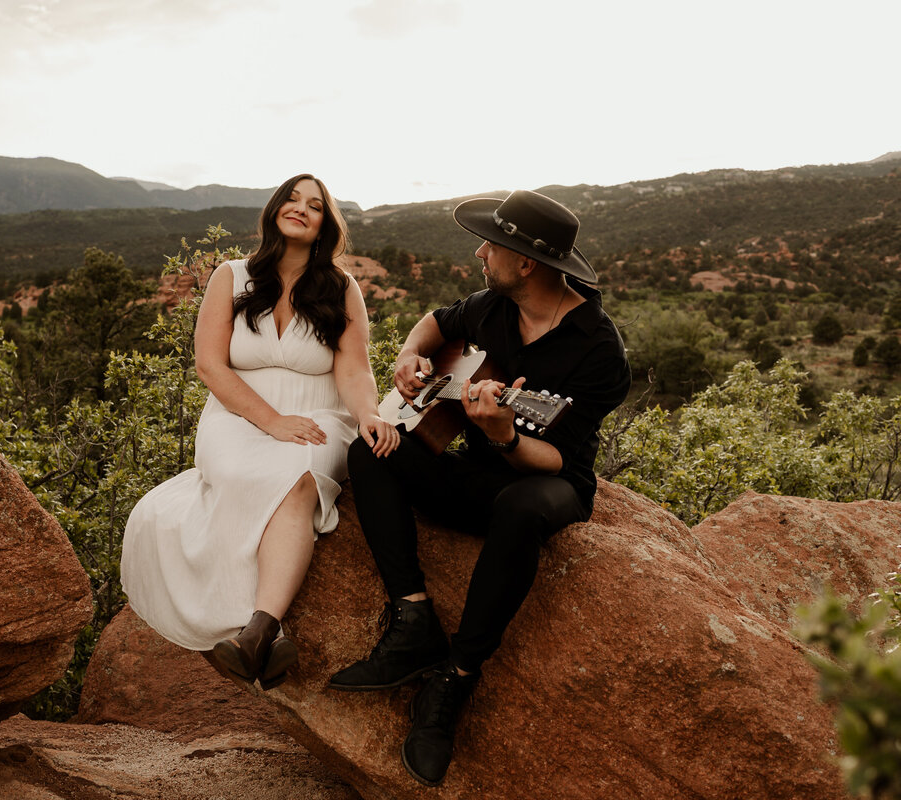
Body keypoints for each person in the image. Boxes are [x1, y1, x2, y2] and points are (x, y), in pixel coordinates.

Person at [328, 190, 631, 786]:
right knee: (372, 448)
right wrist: (411, 355)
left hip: (544, 482)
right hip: (469, 475)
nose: (479, 253)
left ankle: (457, 675)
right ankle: (413, 620)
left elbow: (554, 460)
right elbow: (438, 323)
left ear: (527, 264)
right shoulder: (493, 305)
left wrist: (502, 433)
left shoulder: (598, 350)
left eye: (492, 245)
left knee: (522, 507)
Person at [121, 173, 400, 690]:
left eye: (315, 205)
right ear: (274, 209)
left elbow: (355, 370)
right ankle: (259, 635)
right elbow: (210, 366)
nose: (301, 208)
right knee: (238, 473)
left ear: (324, 226)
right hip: (236, 416)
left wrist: (367, 415)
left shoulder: (341, 287)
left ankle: (257, 632)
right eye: (292, 198)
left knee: (300, 477)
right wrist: (270, 421)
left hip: (320, 416)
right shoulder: (231, 275)